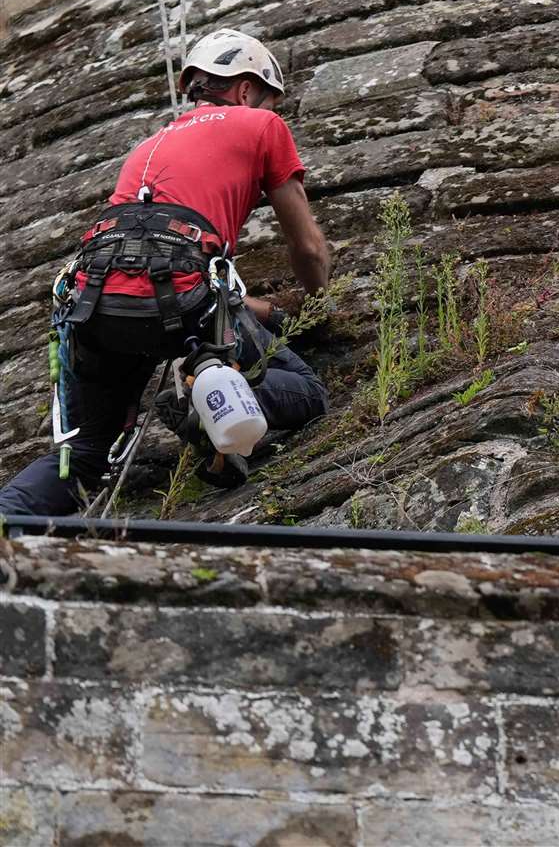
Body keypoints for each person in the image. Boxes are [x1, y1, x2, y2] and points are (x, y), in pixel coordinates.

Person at [0, 29, 331, 517]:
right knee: (308, 392)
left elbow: (155, 276)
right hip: (182, 297)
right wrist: (319, 303)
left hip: (92, 302)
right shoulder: (260, 125)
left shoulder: (145, 148)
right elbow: (307, 247)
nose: (269, 111)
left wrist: (266, 310)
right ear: (245, 89)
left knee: (87, 454)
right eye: (267, 100)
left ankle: (9, 518)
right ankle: (204, 396)